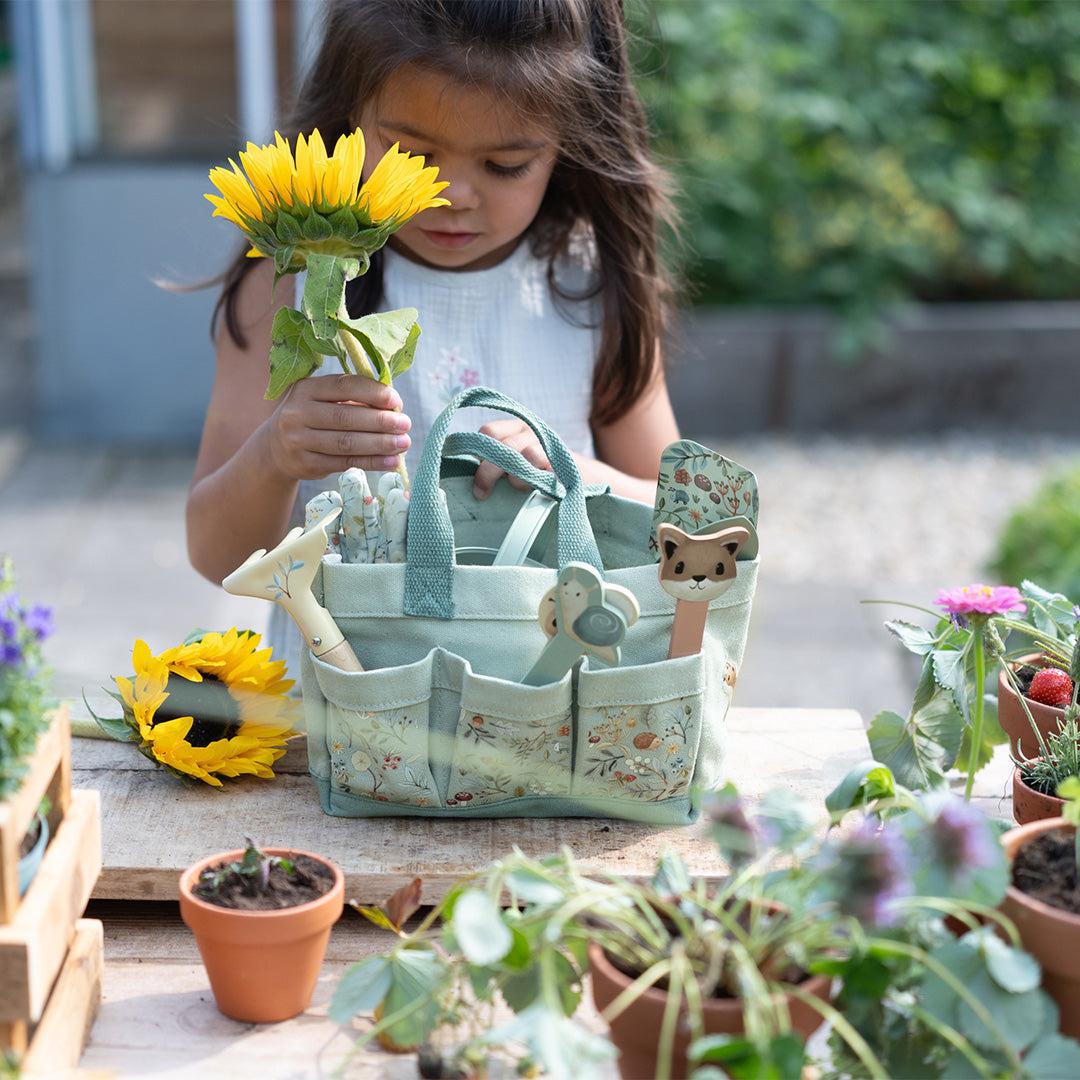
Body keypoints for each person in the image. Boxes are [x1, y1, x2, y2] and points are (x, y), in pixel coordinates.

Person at [187, 0, 683, 670]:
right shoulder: (289, 283)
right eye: (412, 154)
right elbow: (220, 557)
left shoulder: (587, 286)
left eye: (506, 165)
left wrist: (577, 475)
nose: (452, 192)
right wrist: (276, 456)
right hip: (344, 720)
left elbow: (690, 526)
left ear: (568, 143)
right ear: (349, 121)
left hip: (549, 719)